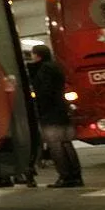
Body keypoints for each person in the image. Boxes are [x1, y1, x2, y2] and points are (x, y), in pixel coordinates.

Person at [30, 44, 83, 187]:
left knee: (56, 145)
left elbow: (44, 91)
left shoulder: (44, 69)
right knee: (66, 143)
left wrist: (38, 103)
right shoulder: (55, 66)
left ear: (38, 55)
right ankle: (76, 175)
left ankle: (65, 176)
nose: (32, 57)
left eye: (33, 54)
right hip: (61, 109)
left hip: (50, 112)